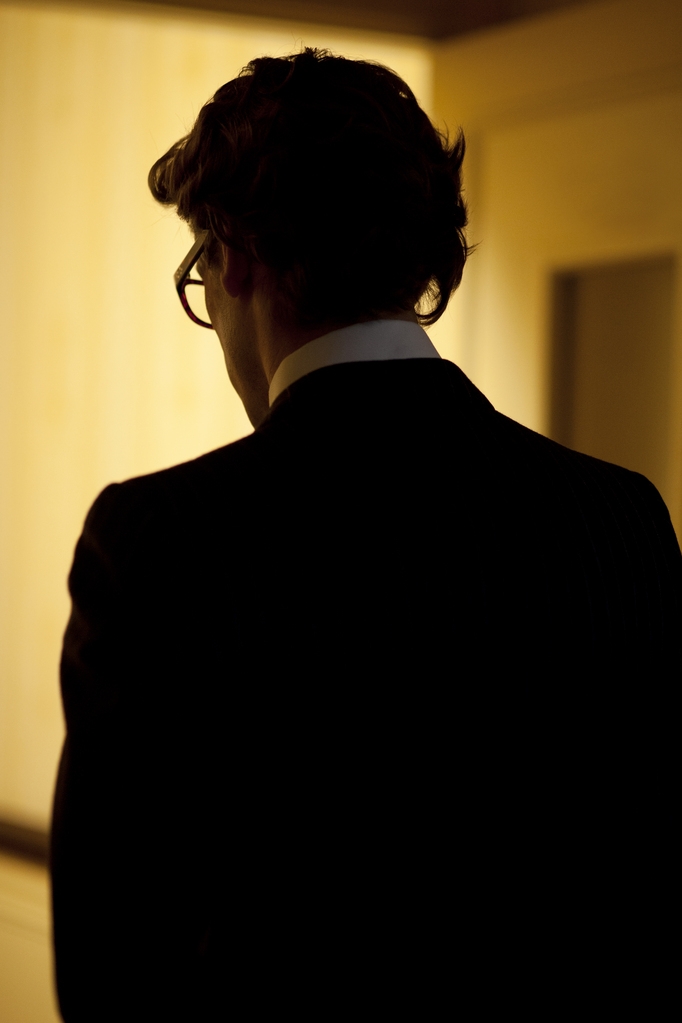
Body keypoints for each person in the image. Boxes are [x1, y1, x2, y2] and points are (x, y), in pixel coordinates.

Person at [51, 48, 681, 1020]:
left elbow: (111, 963)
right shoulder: (621, 517)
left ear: (233, 255)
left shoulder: (157, 539)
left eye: (199, 276)